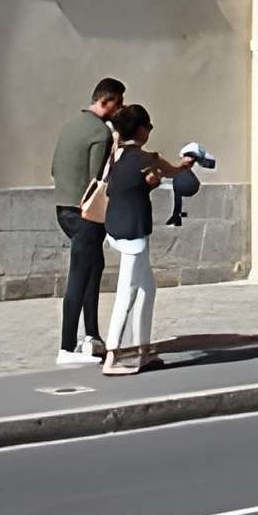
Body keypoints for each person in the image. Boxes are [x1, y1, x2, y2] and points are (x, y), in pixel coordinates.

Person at [101, 103, 192, 375]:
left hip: (115, 225)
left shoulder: (116, 155)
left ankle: (143, 350)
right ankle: (112, 355)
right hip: (133, 232)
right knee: (127, 292)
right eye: (148, 126)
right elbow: (172, 170)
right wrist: (184, 164)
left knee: (146, 289)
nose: (150, 130)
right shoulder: (146, 159)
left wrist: (155, 178)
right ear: (140, 130)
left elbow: (128, 185)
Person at [50, 76, 124, 367]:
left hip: (63, 208)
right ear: (106, 101)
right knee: (80, 277)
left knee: (93, 268)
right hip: (86, 213)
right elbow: (97, 180)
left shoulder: (70, 126)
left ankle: (91, 337)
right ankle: (67, 346)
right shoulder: (100, 133)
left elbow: (54, 168)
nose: (120, 109)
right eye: (118, 102)